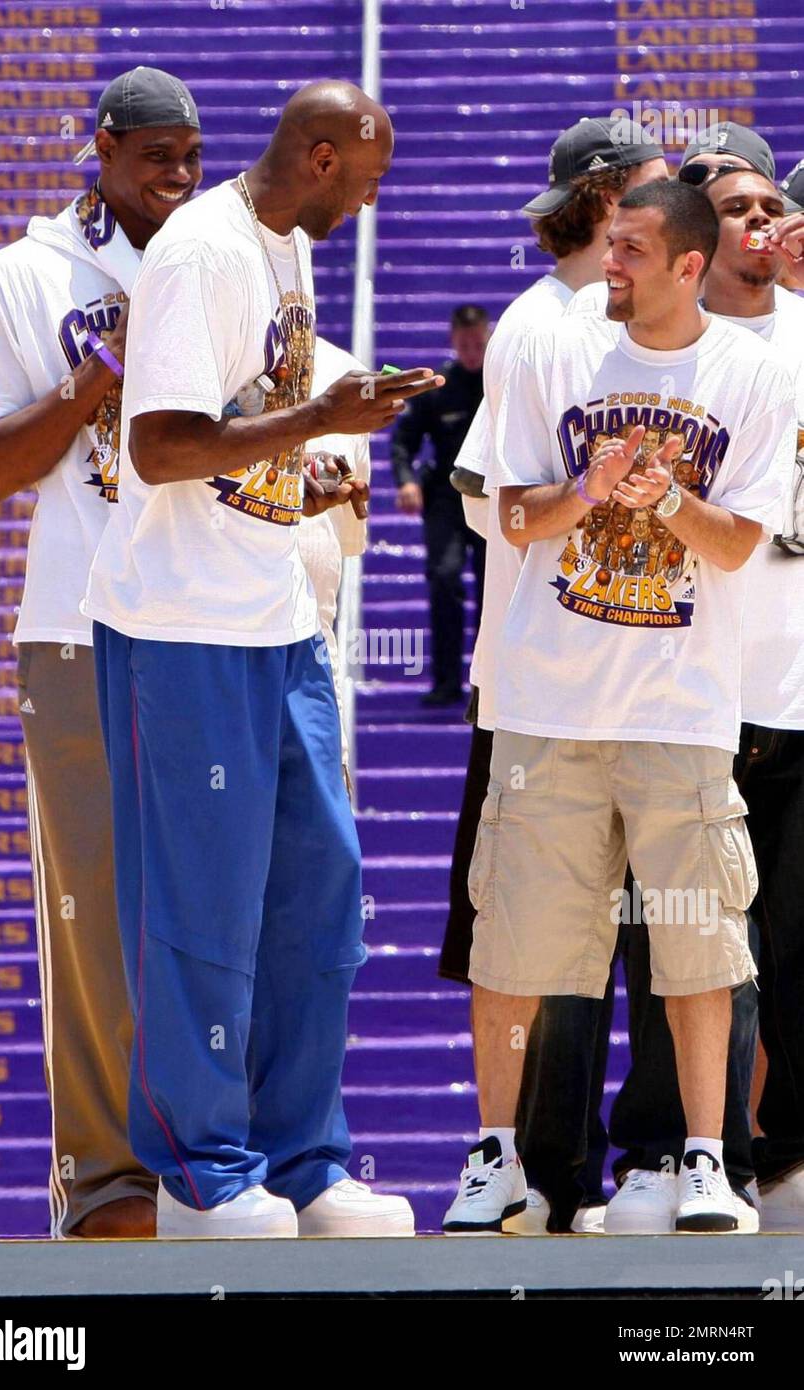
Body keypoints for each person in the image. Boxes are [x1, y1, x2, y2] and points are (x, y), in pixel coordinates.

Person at [83, 80, 444, 1239]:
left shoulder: (283, 242)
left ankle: (303, 1161)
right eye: (376, 181)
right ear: (325, 155)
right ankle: (204, 1176)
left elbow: (255, 426)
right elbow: (162, 442)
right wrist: (318, 423)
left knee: (316, 894)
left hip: (274, 615)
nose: (380, 202)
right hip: (179, 626)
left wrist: (324, 444)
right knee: (200, 906)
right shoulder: (202, 254)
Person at [449, 178, 797, 1237]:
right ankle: (500, 1158)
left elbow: (744, 542)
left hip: (685, 709)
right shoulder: (548, 344)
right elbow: (506, 513)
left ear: (688, 265)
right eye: (612, 245)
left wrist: (668, 499)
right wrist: (587, 493)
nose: (614, 263)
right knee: (515, 945)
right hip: (548, 702)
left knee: (697, 945)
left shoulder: (756, 372)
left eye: (635, 249)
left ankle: (703, 1157)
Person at [0, 66, 204, 1240]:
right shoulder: (26, 272)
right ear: (101, 147)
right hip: (76, 628)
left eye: (192, 158)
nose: (178, 179)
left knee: (211, 907)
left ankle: (211, 1168)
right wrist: (101, 373)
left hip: (210, 626)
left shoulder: (223, 259)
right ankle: (104, 1185)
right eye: (157, 158)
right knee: (91, 914)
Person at [439, 115, 668, 1234]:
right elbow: (496, 502)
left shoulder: (651, 320)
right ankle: (542, 1167)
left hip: (645, 675)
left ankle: (611, 1166)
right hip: (555, 682)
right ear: (609, 196)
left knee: (649, 935)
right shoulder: (545, 328)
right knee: (544, 942)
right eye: (656, 185)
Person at [603, 165, 804, 1234]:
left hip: (795, 685)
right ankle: (669, 1152)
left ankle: (777, 1159)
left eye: (773, 204)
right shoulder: (649, 352)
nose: (762, 222)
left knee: (790, 945)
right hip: (686, 689)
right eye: (737, 208)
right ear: (694, 242)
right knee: (676, 942)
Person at [391, 304, 489, 706]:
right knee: (445, 578)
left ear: (488, 339)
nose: (471, 351)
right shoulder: (438, 387)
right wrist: (406, 481)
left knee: (494, 591)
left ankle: (488, 687)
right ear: (453, 341)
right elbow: (402, 441)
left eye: (478, 344)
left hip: (491, 499)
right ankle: (447, 681)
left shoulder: (500, 383)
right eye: (464, 344)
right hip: (446, 500)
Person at [299, 334, 371, 789]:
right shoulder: (201, 358)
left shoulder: (347, 373)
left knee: (322, 852)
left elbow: (343, 539)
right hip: (210, 646)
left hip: (309, 654)